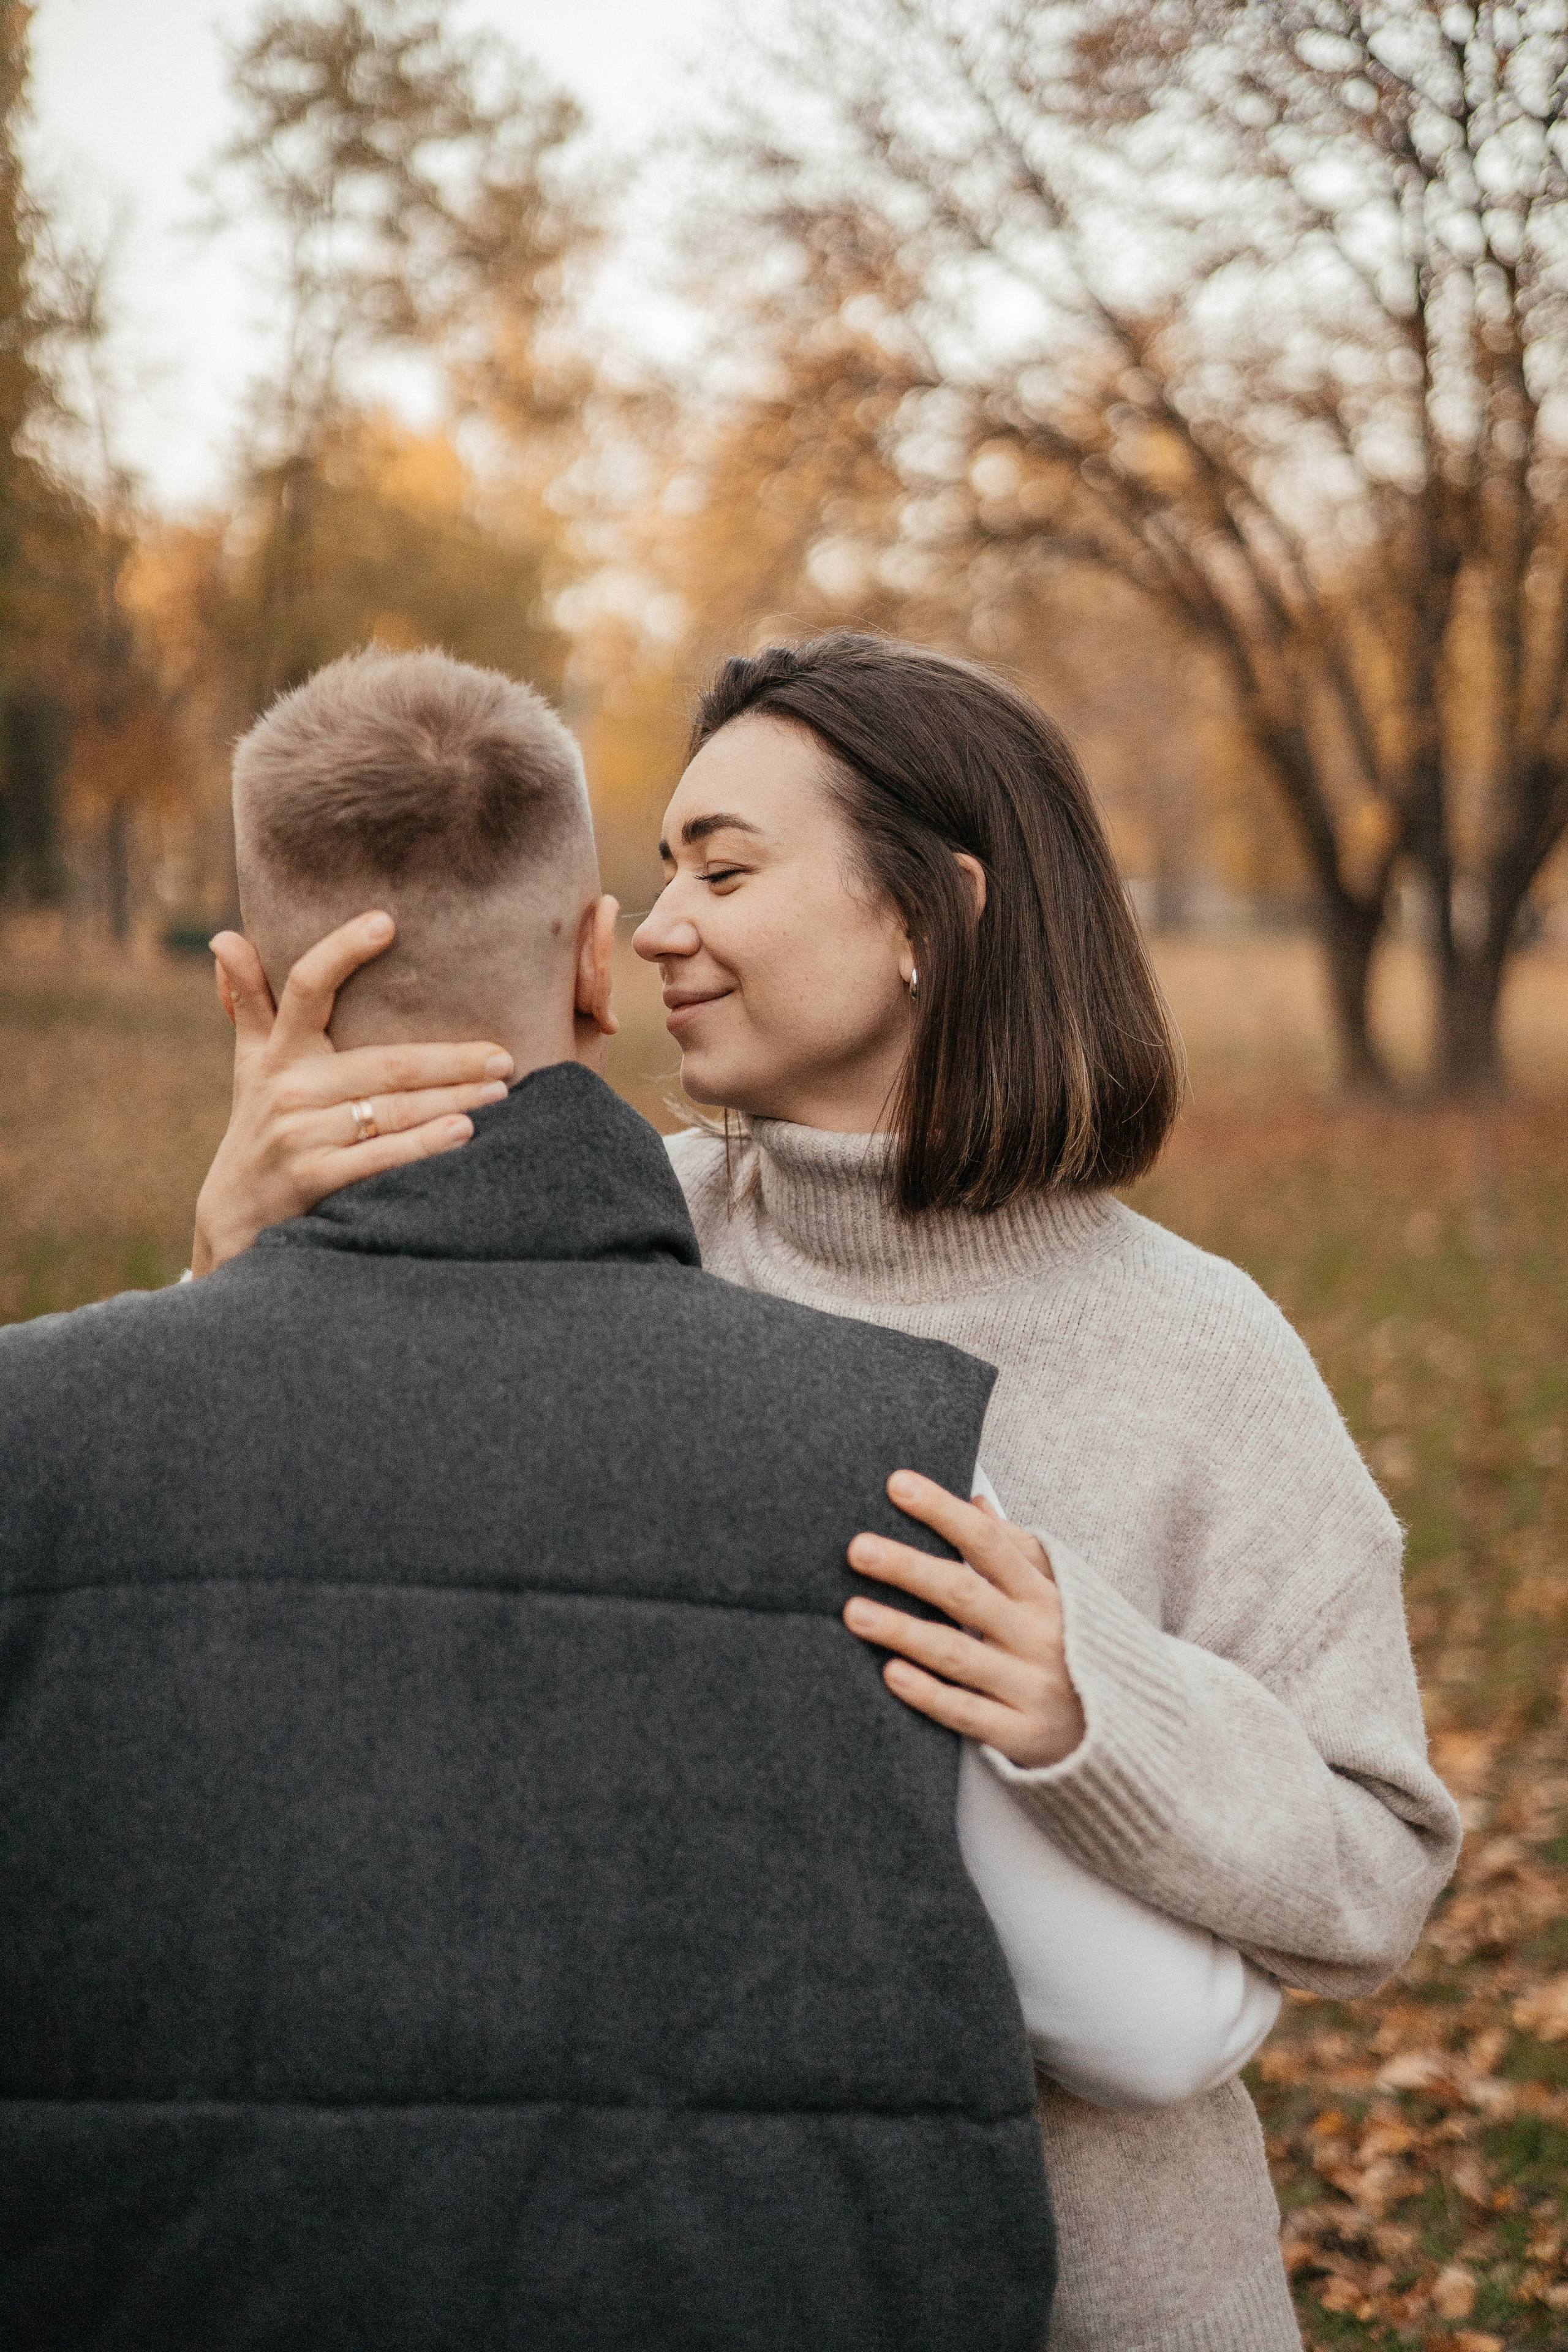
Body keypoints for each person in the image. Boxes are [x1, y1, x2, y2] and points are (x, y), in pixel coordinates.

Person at [195, 634, 1465, 2352]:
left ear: (924, 916)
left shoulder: (1199, 1351)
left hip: (1096, 2295)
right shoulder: (610, 1247)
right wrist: (235, 1268)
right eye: (657, 878)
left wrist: (1095, 1700)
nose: (654, 932)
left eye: (724, 869)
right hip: (658, 2258)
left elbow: (1380, 1863)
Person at [0, 647, 1061, 2352]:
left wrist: (214, 1284)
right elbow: (1129, 2009)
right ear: (590, 961)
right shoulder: (893, 1449)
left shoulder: (33, 1441)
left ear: (243, 987)